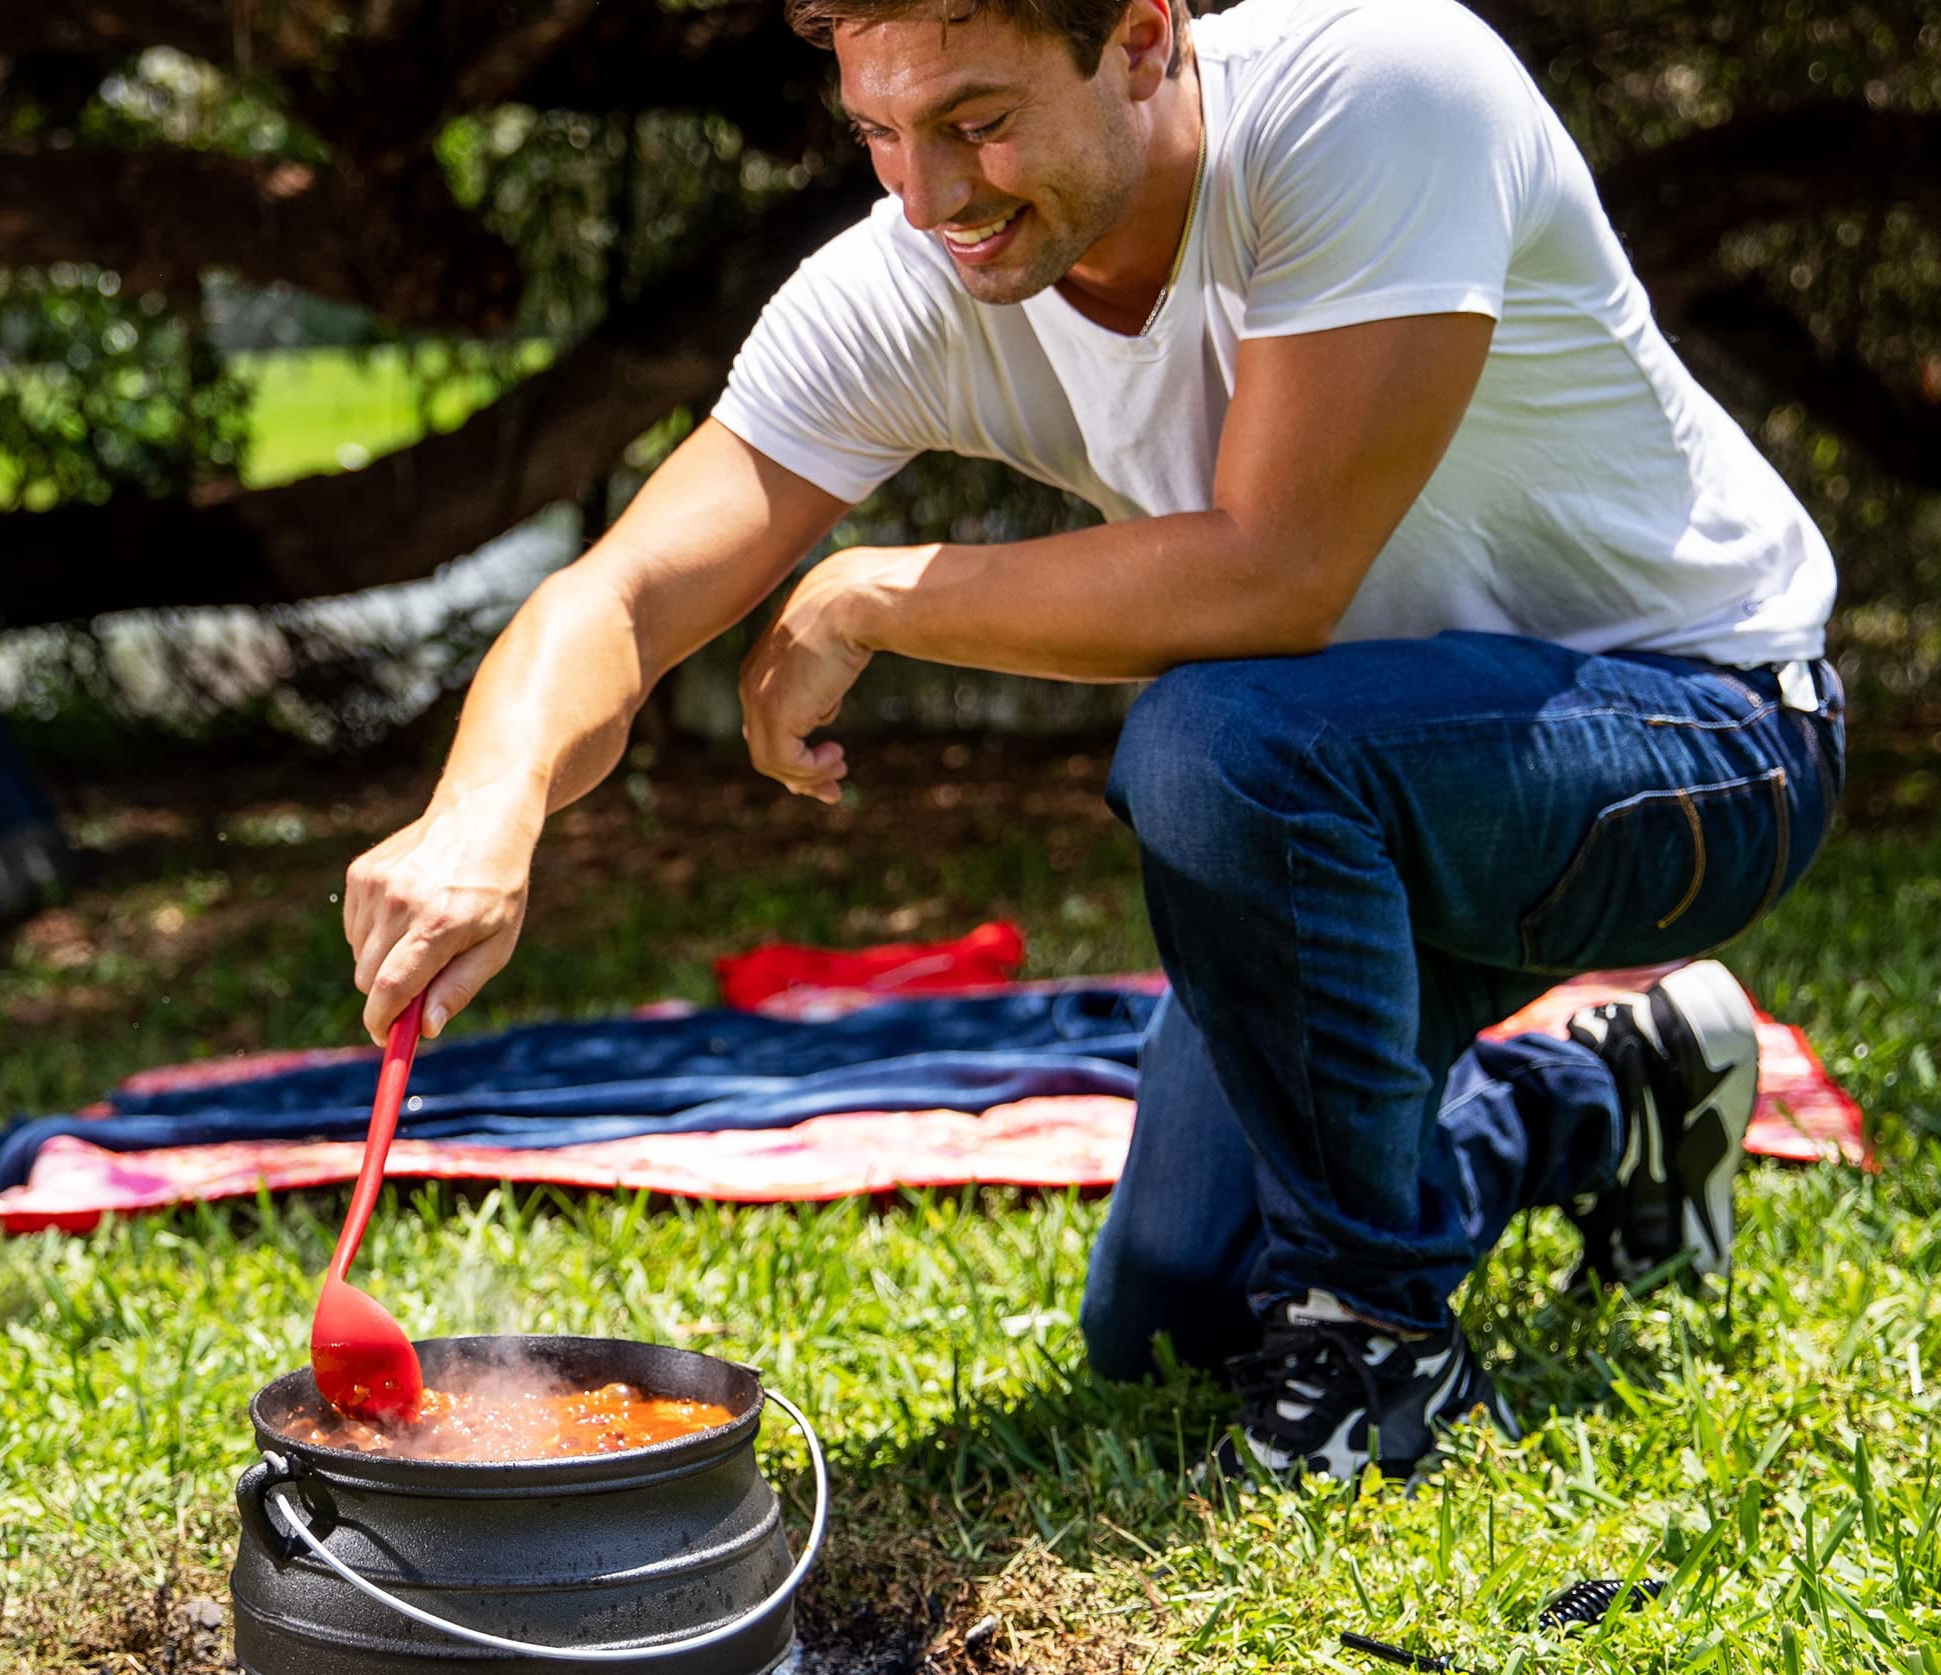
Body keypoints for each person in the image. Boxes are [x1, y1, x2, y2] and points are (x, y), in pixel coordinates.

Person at [343, 0, 1844, 1480]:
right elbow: (620, 594)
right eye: (877, 132)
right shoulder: (908, 281)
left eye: (977, 123)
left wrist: (875, 595)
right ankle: (1608, 1094)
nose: (928, 196)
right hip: (1365, 793)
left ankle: (1384, 1345)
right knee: (1173, 1320)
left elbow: (1274, 572)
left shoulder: (1379, 90)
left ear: (1139, 39)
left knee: (1216, 736)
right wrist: (485, 809)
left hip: (1698, 735)